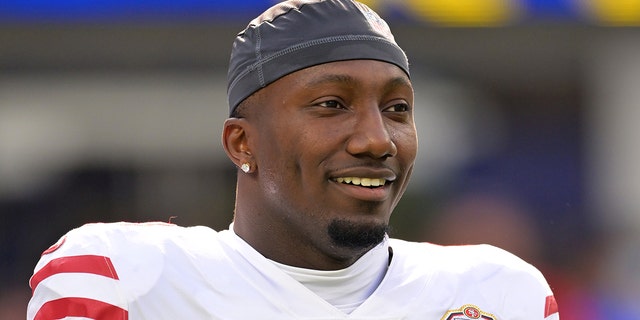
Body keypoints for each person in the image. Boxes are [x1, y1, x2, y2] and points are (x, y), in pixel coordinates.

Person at [27, 0, 559, 319]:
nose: (378, 140)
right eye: (332, 105)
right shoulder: (125, 279)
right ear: (242, 144)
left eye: (397, 108)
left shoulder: (499, 293)